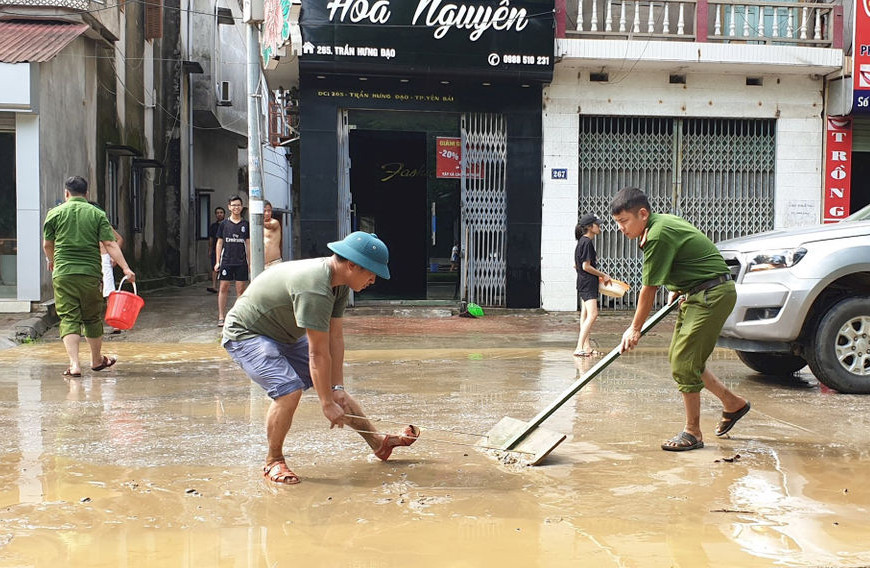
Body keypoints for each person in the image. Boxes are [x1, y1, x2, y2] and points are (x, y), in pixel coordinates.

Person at [222, 231, 420, 485]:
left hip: (284, 334)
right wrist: (326, 402)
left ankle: (378, 444)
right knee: (289, 390)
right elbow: (317, 352)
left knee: (336, 391)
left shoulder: (339, 286)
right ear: (351, 265)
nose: (373, 280)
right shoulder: (315, 287)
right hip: (246, 333)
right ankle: (273, 461)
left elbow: (334, 340)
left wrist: (336, 388)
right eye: (371, 272)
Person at [611, 187, 750, 452]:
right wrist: (680, 285)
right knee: (682, 359)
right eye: (617, 223)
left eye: (624, 221)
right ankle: (733, 403)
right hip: (699, 292)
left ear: (643, 214)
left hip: (711, 294)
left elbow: (648, 289)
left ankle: (693, 432)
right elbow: (688, 253)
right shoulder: (662, 223)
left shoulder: (658, 235)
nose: (621, 228)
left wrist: (634, 329)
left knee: (684, 362)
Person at [43, 176, 136, 377]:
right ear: (87, 194)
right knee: (92, 318)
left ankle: (74, 365)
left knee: (69, 318)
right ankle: (96, 360)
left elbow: (47, 245)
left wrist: (52, 260)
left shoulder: (54, 214)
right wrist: (126, 268)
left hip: (64, 274)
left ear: (66, 193)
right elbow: (111, 244)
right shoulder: (97, 214)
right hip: (90, 275)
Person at [573, 213, 612, 357]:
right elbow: (585, 266)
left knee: (585, 315)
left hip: (583, 282)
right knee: (593, 314)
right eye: (597, 224)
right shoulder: (587, 242)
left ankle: (587, 347)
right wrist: (603, 275)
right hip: (588, 284)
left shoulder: (581, 242)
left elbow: (576, 265)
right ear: (590, 227)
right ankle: (579, 347)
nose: (599, 226)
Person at [214, 196, 250, 327]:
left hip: (241, 262)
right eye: (233, 205)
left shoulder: (246, 224)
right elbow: (219, 243)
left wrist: (250, 262)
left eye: (238, 205)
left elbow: (248, 244)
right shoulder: (224, 224)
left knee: (240, 291)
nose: (236, 207)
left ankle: (238, 317)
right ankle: (221, 316)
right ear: (229, 207)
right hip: (227, 261)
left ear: (242, 207)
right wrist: (217, 261)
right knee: (223, 288)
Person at [89, 201, 124, 335]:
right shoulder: (83, 225)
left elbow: (119, 239)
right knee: (90, 293)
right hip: (91, 260)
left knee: (110, 293)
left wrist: (114, 257)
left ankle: (115, 324)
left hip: (104, 260)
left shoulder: (103, 224)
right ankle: (86, 324)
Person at [207, 206, 225, 293]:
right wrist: (210, 249)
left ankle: (223, 287)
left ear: (224, 214)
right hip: (215, 249)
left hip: (225, 249)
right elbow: (211, 239)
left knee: (224, 268)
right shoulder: (213, 226)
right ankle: (214, 286)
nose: (219, 214)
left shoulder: (226, 224)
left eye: (221, 212)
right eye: (217, 213)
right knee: (214, 267)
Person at [263, 200, 282, 268]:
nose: (267, 213)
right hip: (260, 263)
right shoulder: (256, 227)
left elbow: (269, 226)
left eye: (269, 211)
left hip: (274, 262)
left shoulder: (275, 222)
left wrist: (256, 220)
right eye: (264, 211)